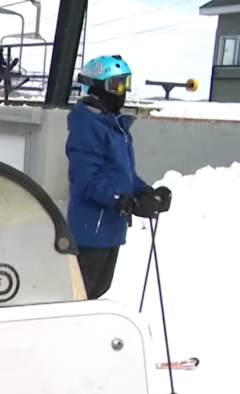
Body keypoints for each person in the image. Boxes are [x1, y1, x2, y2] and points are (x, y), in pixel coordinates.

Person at [66, 54, 171, 299]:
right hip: (91, 230)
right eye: (116, 85)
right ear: (96, 87)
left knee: (99, 289)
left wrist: (145, 193)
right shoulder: (86, 127)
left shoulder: (116, 127)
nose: (122, 92)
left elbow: (125, 176)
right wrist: (119, 199)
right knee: (81, 294)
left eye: (125, 83)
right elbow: (86, 179)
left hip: (111, 228)